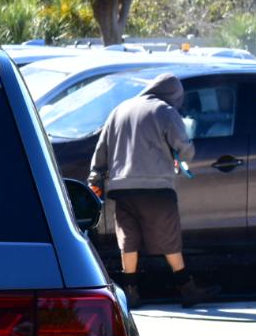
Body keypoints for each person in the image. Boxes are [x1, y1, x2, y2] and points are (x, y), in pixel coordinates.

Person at [88, 73, 219, 308]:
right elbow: (184, 148)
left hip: (122, 187)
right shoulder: (165, 111)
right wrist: (184, 154)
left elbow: (102, 150)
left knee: (128, 239)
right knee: (168, 237)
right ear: (173, 94)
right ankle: (187, 288)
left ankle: (131, 292)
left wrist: (95, 177)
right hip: (156, 187)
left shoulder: (120, 110)